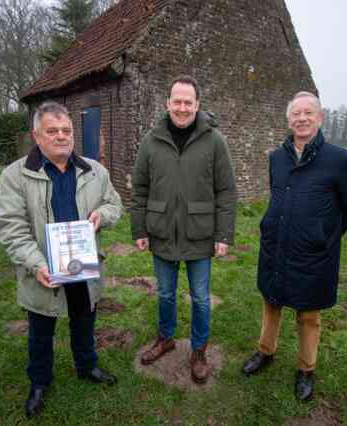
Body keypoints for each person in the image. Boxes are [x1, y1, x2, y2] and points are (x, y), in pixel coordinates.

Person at [0, 101, 123, 418]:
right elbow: (12, 228)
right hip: (43, 267)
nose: (61, 136)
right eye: (52, 131)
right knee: (41, 328)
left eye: (66, 130)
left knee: (84, 319)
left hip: (81, 261)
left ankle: (87, 365)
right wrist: (37, 264)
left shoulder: (95, 171)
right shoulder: (15, 176)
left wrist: (100, 216)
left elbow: (114, 205)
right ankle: (39, 382)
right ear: (37, 136)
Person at [241, 92, 347, 401]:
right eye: (296, 113)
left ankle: (306, 369)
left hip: (314, 252)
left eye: (309, 113)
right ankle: (265, 352)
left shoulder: (339, 159)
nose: (302, 118)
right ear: (288, 120)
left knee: (308, 313)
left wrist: (324, 234)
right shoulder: (276, 158)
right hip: (276, 245)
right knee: (271, 301)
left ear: (319, 119)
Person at [131, 75, 237, 384]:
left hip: (199, 233)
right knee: (164, 292)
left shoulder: (215, 140)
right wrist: (140, 228)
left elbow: (226, 191)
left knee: (201, 298)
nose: (182, 107)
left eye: (187, 102)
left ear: (197, 105)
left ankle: (199, 351)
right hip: (161, 231)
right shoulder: (151, 140)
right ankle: (165, 339)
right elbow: (139, 188)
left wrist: (223, 235)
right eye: (176, 101)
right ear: (167, 104)